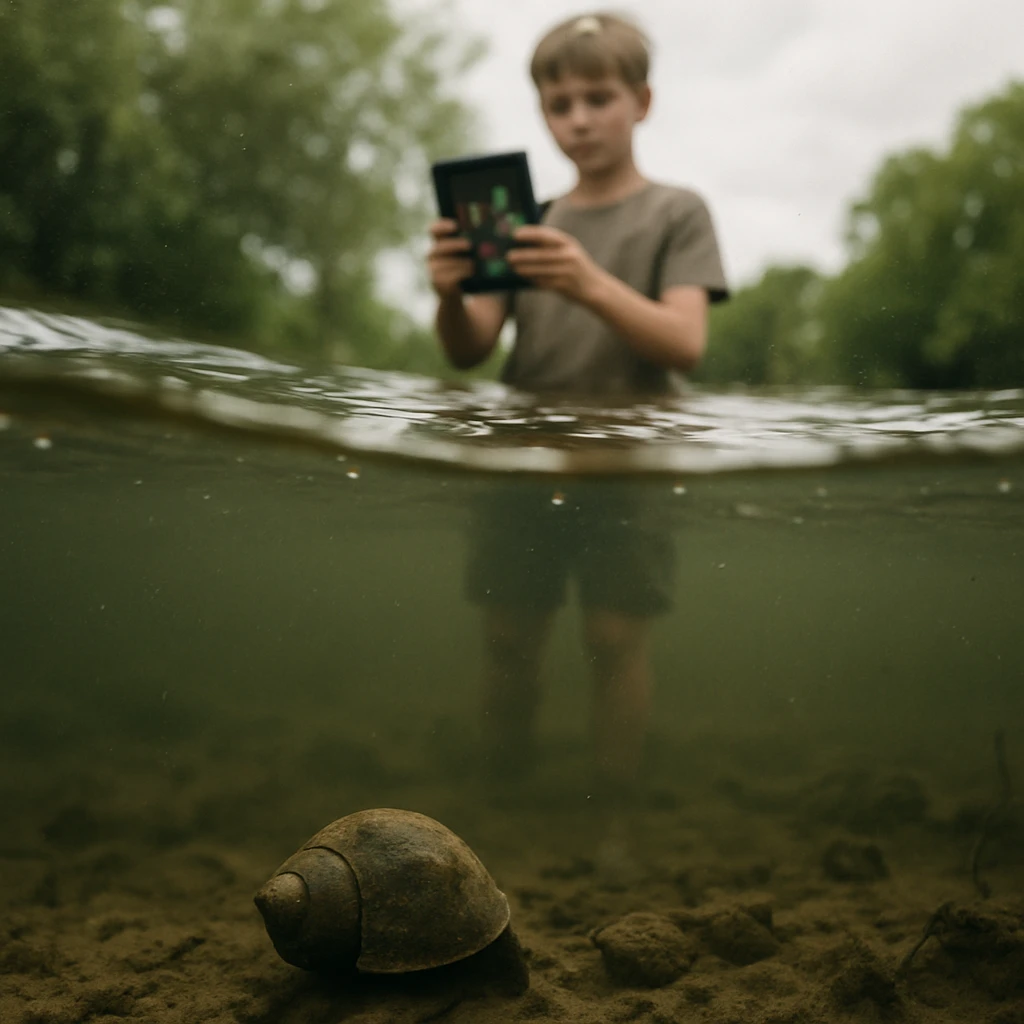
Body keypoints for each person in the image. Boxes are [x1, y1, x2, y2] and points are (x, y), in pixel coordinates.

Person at [427, 11, 729, 803]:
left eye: (598, 98)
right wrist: (450, 293)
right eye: (560, 105)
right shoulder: (524, 222)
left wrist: (587, 281)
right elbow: (470, 348)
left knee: (615, 637)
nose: (580, 119)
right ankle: (501, 794)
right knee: (508, 636)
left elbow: (685, 344)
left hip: (630, 461)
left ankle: (612, 811)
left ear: (643, 101)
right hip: (524, 455)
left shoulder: (678, 211)